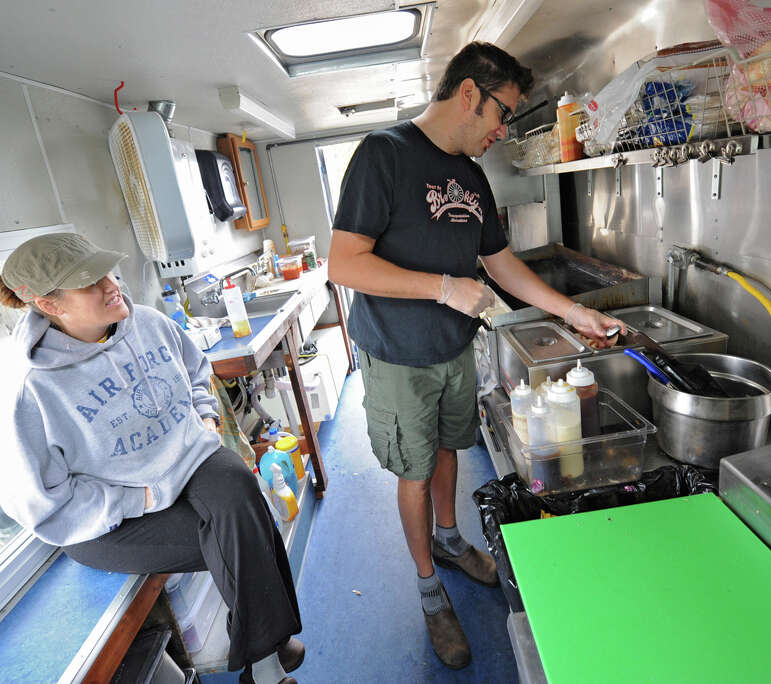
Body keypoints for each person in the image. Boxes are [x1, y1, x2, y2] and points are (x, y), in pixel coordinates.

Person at [328, 41, 621, 669]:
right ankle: (430, 589)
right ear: (469, 94)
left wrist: (571, 312)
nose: (502, 130)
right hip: (399, 355)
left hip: (454, 349)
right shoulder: (384, 154)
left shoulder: (470, 174)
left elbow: (500, 261)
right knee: (413, 469)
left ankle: (452, 539)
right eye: (501, 114)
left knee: (447, 450)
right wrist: (441, 287)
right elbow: (344, 263)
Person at [0, 233, 303, 684]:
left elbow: (197, 369)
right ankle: (265, 658)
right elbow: (42, 504)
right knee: (229, 530)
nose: (110, 285)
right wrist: (139, 497)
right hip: (104, 517)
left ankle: (260, 643)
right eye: (89, 284)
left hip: (183, 457)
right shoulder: (30, 388)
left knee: (242, 489)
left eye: (106, 271)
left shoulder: (147, 322)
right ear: (49, 305)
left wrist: (204, 417)